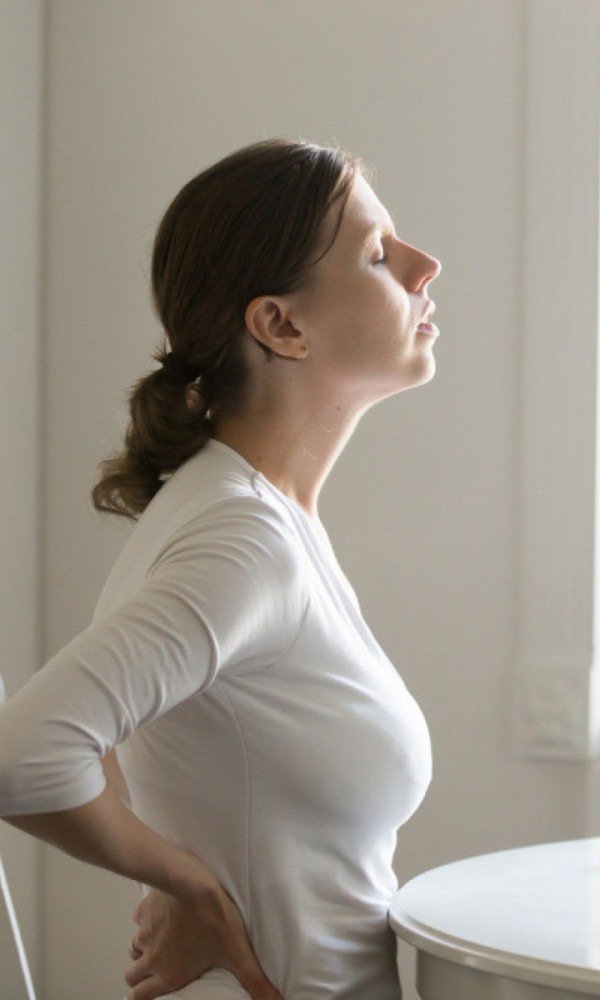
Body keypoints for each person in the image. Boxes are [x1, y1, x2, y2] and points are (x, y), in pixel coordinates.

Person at [0, 138, 441, 999]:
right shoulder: (245, 539)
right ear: (281, 324)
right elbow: (23, 753)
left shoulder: (254, 514)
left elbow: (174, 748)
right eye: (378, 254)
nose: (425, 265)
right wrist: (186, 881)